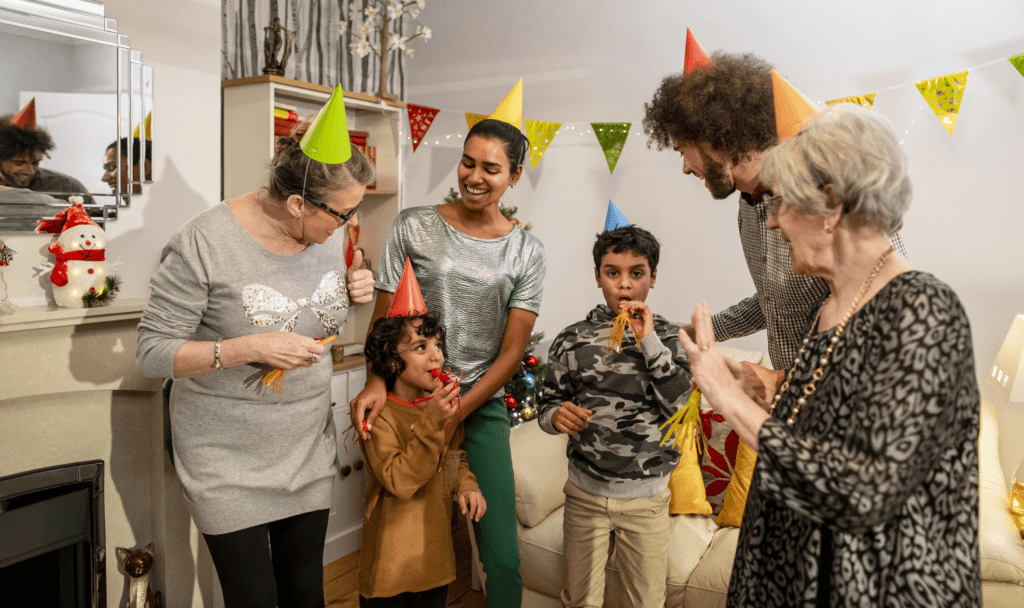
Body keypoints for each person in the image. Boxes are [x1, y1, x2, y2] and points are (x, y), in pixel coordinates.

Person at [677, 104, 981, 607]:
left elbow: (863, 489)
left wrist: (730, 399)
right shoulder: (831, 310)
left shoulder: (924, 307)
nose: (771, 223)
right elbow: (824, 431)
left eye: (781, 203)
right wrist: (767, 386)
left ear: (831, 205)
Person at [136, 134, 376, 608]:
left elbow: (316, 307)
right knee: (255, 599)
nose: (350, 224)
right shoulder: (203, 242)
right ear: (295, 203)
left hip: (306, 444)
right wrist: (247, 347)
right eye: (342, 214)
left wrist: (356, 281)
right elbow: (151, 353)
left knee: (305, 592)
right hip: (226, 457)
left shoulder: (327, 232)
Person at [351, 117, 546, 607]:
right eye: (468, 161)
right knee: (402, 540)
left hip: (477, 406)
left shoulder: (526, 251)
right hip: (408, 403)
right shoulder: (413, 225)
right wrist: (377, 383)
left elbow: (511, 353)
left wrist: (456, 412)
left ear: (514, 176)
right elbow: (383, 323)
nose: (475, 176)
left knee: (500, 553)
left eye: (492, 168)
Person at [642, 52, 907, 370]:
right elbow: (776, 300)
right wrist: (698, 331)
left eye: (683, 150)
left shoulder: (819, 193)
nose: (685, 167)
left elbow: (884, 290)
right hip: (795, 398)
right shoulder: (747, 206)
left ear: (715, 137)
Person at [536, 225, 692, 608]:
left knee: (646, 601)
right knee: (580, 599)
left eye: (636, 274)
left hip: (646, 498)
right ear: (597, 276)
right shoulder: (571, 339)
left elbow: (680, 406)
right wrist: (556, 416)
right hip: (585, 494)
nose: (624, 285)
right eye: (612, 273)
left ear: (652, 278)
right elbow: (546, 402)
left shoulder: (671, 338)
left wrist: (649, 340)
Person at [359, 304, 486, 607]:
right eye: (421, 347)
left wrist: (467, 485)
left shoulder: (439, 409)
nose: (436, 356)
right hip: (390, 570)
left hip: (434, 562)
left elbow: (452, 457)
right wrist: (431, 421)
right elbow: (400, 481)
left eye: (438, 345)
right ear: (391, 361)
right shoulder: (379, 416)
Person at [0, 114, 93, 203]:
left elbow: (96, 218)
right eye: (19, 163)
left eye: (35, 163)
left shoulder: (70, 187)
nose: (30, 171)